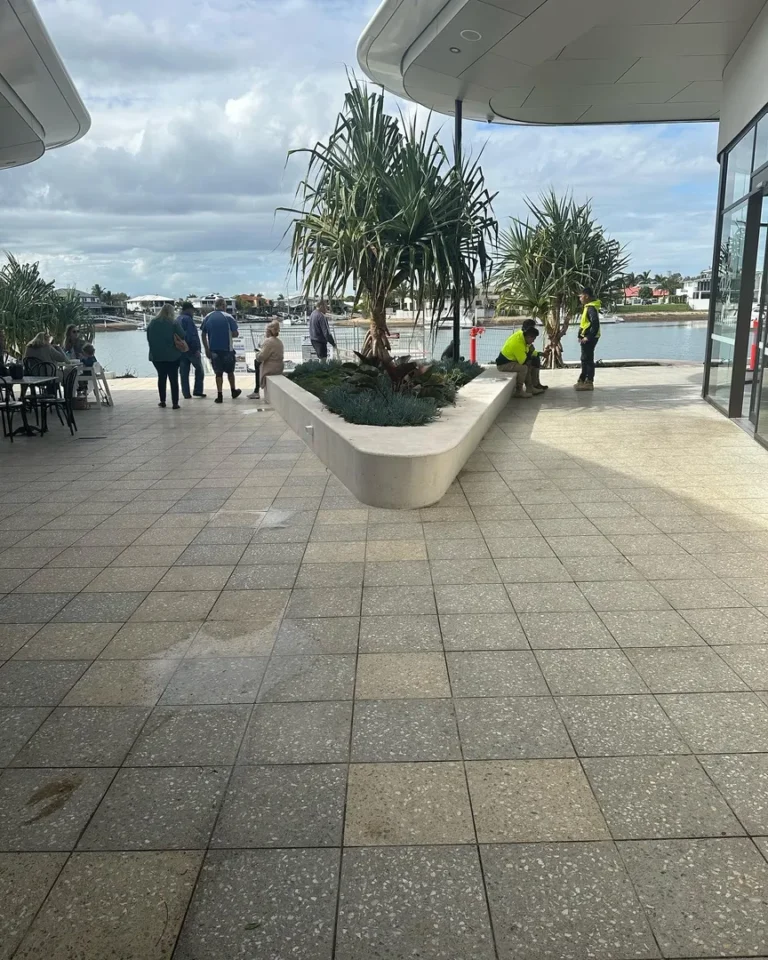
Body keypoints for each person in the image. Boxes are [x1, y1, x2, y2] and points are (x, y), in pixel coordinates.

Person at [201, 297, 241, 403]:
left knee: (218, 373)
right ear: (223, 306)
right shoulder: (228, 317)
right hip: (227, 350)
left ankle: (220, 395)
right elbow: (235, 333)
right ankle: (233, 390)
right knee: (230, 372)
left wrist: (206, 349)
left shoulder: (207, 317)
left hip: (213, 350)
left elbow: (203, 334)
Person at [146, 303, 185, 409]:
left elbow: (148, 337)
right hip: (172, 356)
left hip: (156, 356)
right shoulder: (173, 323)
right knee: (173, 379)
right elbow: (182, 335)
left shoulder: (152, 323)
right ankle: (175, 403)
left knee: (161, 377)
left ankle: (162, 401)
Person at [495, 327, 543, 398]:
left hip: (511, 361)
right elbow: (523, 361)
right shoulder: (518, 344)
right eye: (533, 339)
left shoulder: (522, 338)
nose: (533, 341)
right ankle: (519, 391)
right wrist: (530, 352)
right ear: (528, 336)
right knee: (523, 368)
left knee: (532, 361)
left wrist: (539, 354)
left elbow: (526, 352)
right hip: (503, 365)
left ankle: (530, 388)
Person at [177, 301, 206, 399]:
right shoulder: (188, 320)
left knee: (184, 373)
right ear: (189, 309)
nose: (193, 312)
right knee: (200, 370)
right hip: (191, 350)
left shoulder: (177, 319)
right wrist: (196, 349)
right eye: (192, 310)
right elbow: (191, 335)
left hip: (180, 350)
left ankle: (186, 393)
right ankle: (197, 390)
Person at [248, 321, 284, 400]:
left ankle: (256, 391)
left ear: (268, 331)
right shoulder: (279, 341)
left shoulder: (268, 341)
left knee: (256, 362)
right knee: (257, 362)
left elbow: (261, 357)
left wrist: (257, 353)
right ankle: (256, 390)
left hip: (271, 368)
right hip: (279, 366)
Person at [576, 287, 601, 391]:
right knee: (584, 358)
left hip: (590, 337)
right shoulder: (587, 307)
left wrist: (588, 337)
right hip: (585, 337)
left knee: (588, 359)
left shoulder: (591, 308)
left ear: (586, 296)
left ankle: (589, 381)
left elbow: (595, 324)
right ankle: (582, 379)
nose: (580, 298)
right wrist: (579, 335)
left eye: (581, 296)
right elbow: (584, 324)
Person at [521, 318, 547, 391]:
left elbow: (531, 350)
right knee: (529, 362)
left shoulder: (527, 335)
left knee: (536, 358)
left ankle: (536, 383)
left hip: (523, 356)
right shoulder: (523, 336)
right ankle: (531, 386)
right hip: (518, 358)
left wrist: (540, 354)